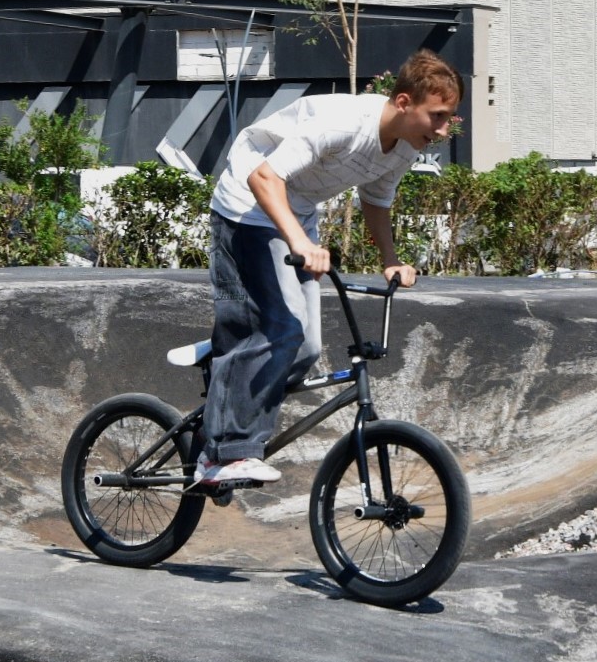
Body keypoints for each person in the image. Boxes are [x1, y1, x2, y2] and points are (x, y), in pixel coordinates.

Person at [197, 50, 463, 487]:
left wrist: (391, 262)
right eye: (436, 116)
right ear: (402, 103)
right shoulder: (344, 122)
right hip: (247, 204)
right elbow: (263, 178)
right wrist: (300, 242)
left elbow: (376, 203)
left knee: (303, 349)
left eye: (448, 118)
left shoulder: (403, 150)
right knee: (281, 330)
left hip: (293, 212)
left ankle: (234, 367)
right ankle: (224, 453)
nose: (442, 129)